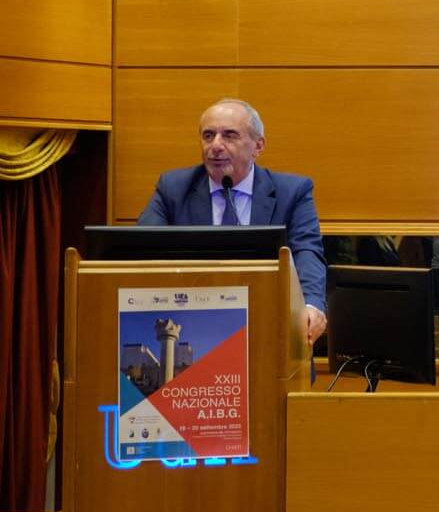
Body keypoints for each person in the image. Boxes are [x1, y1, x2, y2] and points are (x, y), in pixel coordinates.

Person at [137, 98, 328, 345]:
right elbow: (142, 251)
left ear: (258, 146)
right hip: (194, 329)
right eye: (208, 136)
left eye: (229, 135)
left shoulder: (292, 191)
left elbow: (306, 250)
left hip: (268, 328)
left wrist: (311, 304)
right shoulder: (173, 189)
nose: (216, 145)